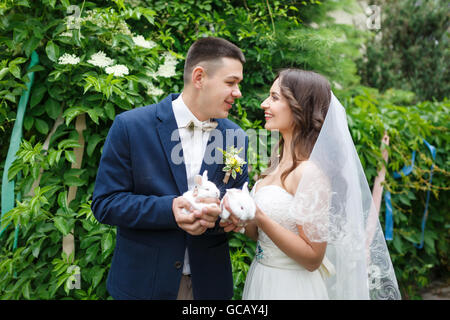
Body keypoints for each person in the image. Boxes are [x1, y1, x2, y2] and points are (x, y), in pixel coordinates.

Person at [91, 37, 248, 300]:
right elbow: (105, 204)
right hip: (143, 285)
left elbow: (235, 198)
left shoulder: (235, 137)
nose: (238, 93)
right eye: (230, 83)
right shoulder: (130, 126)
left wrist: (232, 214)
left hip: (208, 287)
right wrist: (170, 210)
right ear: (199, 77)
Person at [237, 69, 401, 299]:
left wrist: (260, 215)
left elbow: (313, 257)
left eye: (274, 98)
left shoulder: (310, 172)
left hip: (291, 287)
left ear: (299, 107)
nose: (264, 104)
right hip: (262, 277)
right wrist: (240, 218)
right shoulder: (275, 162)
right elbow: (260, 235)